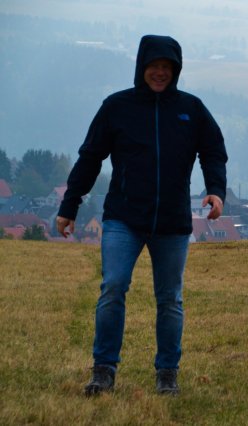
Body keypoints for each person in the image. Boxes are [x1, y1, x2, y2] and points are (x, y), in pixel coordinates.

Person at [56, 35, 228, 396]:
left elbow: (213, 151)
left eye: (167, 67)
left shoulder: (191, 109)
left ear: (176, 71)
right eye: (154, 66)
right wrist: (69, 205)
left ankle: (167, 373)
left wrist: (216, 190)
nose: (160, 73)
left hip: (172, 223)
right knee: (113, 287)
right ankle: (103, 370)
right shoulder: (117, 106)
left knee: (169, 299)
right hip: (123, 218)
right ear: (142, 67)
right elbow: (90, 157)